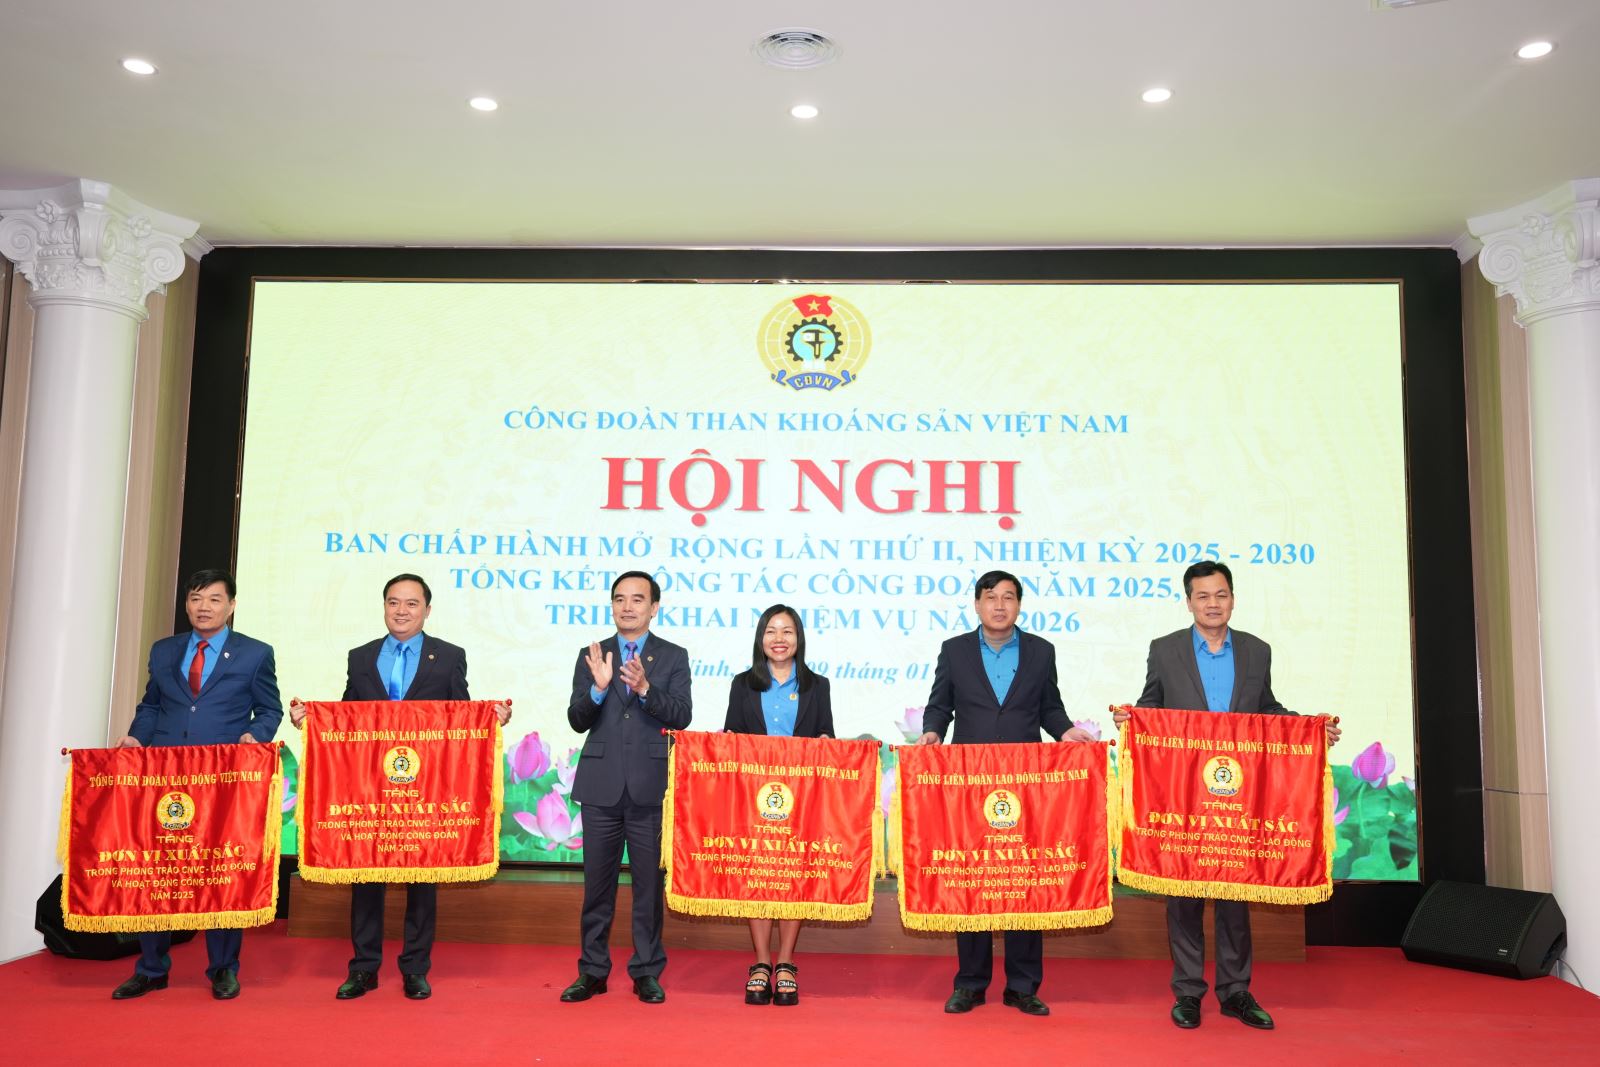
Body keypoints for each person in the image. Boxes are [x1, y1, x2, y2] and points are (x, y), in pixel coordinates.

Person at [1113, 560, 1340, 1032]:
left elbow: (1267, 710)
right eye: (1202, 596)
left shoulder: (1257, 650)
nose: (1212, 604)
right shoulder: (1165, 649)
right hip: (1185, 794)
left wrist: (1311, 729)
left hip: (1238, 795)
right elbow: (1153, 705)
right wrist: (1131, 720)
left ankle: (1236, 991)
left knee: (1237, 891)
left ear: (1232, 599)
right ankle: (1188, 992)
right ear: (1189, 602)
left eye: (1220, 595)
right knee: (1184, 894)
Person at [290, 573, 509, 1001]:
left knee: (422, 879)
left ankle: (415, 968)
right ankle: (363, 968)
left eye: (411, 603)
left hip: (424, 791)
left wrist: (491, 719)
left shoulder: (449, 657)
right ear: (384, 606)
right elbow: (348, 719)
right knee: (365, 876)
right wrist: (311, 721)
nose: (401, 611)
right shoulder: (361, 657)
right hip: (371, 788)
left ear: (427, 610)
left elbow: (460, 716)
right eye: (394, 602)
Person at [916, 570, 1095, 1017]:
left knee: (1023, 877)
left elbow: (1049, 707)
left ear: (1019, 605)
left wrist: (1066, 731)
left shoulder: (1040, 651)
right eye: (991, 597)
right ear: (977, 604)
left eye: (1008, 597)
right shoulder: (954, 650)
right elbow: (940, 704)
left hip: (1024, 779)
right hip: (970, 780)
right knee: (973, 877)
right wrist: (932, 731)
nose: (999, 605)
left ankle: (1022, 985)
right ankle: (970, 983)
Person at [111, 569, 283, 1001]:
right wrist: (136, 738)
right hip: (164, 774)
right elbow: (152, 705)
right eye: (195, 599)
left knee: (221, 869)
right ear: (186, 604)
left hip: (222, 778)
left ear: (231, 605)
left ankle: (223, 968)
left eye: (214, 599)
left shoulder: (255, 653)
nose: (203, 607)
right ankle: (151, 969)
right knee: (158, 870)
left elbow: (269, 709)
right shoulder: (164, 650)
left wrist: (255, 736)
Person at [560, 571, 693, 1005]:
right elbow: (577, 719)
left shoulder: (672, 656)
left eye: (638, 599)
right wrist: (599, 690)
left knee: (648, 889)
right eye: (620, 599)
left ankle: (647, 971)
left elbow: (682, 715)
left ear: (654, 608)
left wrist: (646, 688)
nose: (628, 606)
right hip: (600, 787)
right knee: (596, 888)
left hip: (650, 787)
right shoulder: (593, 654)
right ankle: (592, 971)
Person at [722, 604, 834, 1007]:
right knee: (758, 875)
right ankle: (761, 962)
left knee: (791, 875)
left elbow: (826, 733)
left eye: (787, 631)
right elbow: (731, 735)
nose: (779, 639)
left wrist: (825, 743)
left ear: (798, 638)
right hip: (754, 796)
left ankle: (786, 962)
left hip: (800, 798)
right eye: (771, 631)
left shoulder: (817, 685)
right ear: (761, 638)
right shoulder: (742, 683)